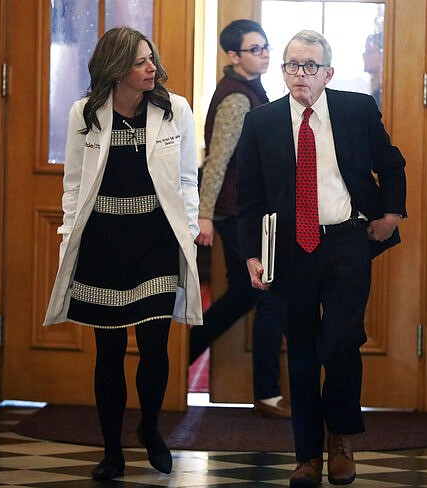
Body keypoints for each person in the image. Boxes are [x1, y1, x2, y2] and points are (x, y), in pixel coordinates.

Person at [236, 30, 406, 487]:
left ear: (328, 73)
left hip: (348, 241)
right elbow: (248, 198)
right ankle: (307, 456)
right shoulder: (263, 122)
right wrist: (252, 254)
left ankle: (341, 441)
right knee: (305, 352)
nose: (300, 74)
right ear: (283, 70)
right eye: (292, 64)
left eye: (310, 66)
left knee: (341, 343)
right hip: (291, 250)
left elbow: (390, 163)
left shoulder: (356, 110)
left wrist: (390, 214)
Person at [43, 27, 203, 480]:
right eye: (139, 62)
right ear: (116, 69)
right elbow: (73, 185)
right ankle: (111, 450)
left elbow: (187, 182)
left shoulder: (175, 110)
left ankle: (150, 427)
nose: (151, 68)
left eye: (151, 59)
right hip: (103, 244)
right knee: (108, 351)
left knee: (154, 347)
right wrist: (65, 238)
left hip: (155, 240)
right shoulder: (84, 113)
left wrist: (186, 234)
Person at [190, 19, 289, 417]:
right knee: (265, 294)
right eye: (255, 49)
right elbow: (218, 160)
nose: (264, 54)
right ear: (234, 56)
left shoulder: (250, 89)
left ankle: (182, 353)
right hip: (237, 212)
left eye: (266, 47)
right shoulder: (237, 98)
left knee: (248, 294)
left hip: (243, 209)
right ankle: (267, 393)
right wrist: (205, 214)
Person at [363, 33, 383, 109]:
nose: (365, 56)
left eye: (370, 52)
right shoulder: (368, 89)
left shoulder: (383, 93)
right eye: (366, 52)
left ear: (382, 56)